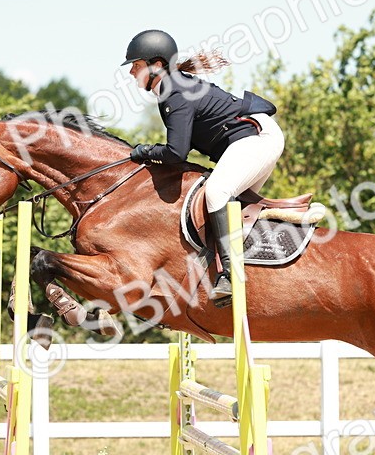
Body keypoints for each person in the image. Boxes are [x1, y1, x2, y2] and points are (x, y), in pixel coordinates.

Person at [121, 29, 284, 304]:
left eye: (136, 66)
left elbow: (176, 152)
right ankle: (238, 272)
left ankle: (230, 276)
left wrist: (142, 151)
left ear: (157, 65)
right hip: (253, 138)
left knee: (217, 193)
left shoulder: (175, 92)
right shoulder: (172, 88)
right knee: (232, 208)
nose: (131, 73)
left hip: (258, 137)